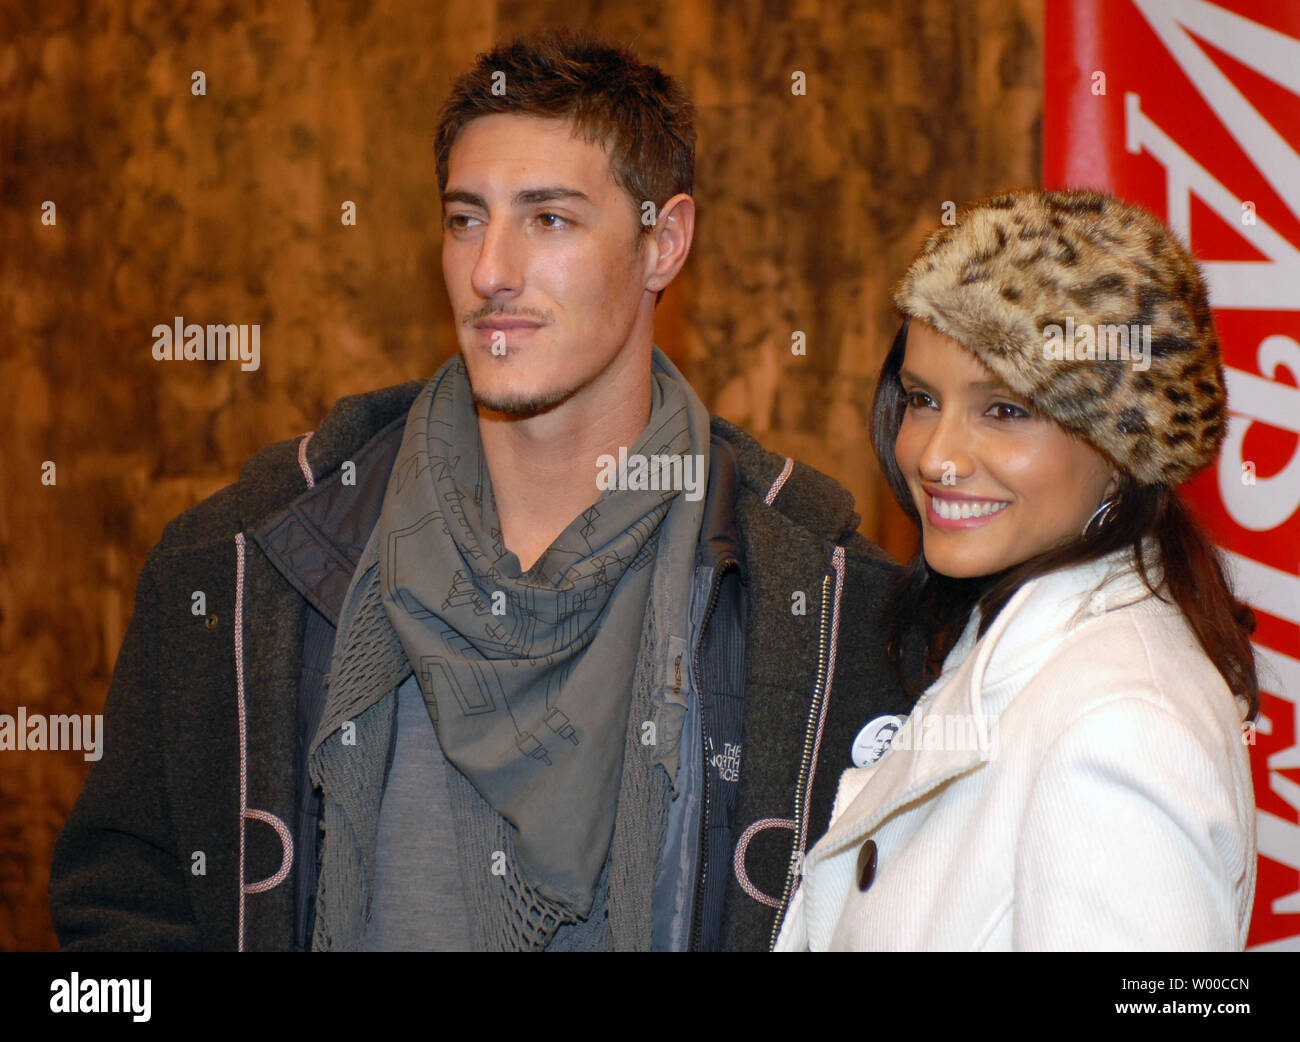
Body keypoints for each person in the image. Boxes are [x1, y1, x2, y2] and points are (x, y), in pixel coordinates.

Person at [49, 29, 912, 952]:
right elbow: (125, 912)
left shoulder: (822, 607)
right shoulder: (244, 566)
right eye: (467, 218)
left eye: (548, 219)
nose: (491, 270)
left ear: (664, 243)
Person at [775, 188, 1259, 951]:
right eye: (923, 399)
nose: (934, 456)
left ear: (1122, 449)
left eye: (1003, 410)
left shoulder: (1118, 727)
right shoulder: (1020, 648)